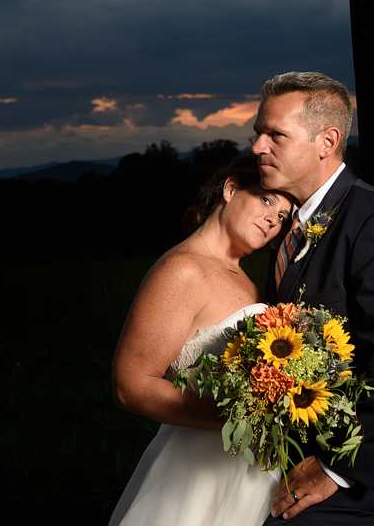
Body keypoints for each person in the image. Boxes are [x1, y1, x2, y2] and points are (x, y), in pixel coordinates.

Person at [252, 72, 374, 525]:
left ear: (327, 141)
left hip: (365, 478)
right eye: (258, 133)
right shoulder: (284, 227)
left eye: (275, 134)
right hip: (294, 460)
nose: (258, 146)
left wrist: (336, 469)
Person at [109, 154, 295, 526]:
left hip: (249, 468)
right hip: (197, 467)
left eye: (283, 217)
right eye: (266, 200)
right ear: (230, 189)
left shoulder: (247, 280)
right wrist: (242, 421)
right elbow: (130, 386)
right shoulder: (182, 269)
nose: (273, 220)